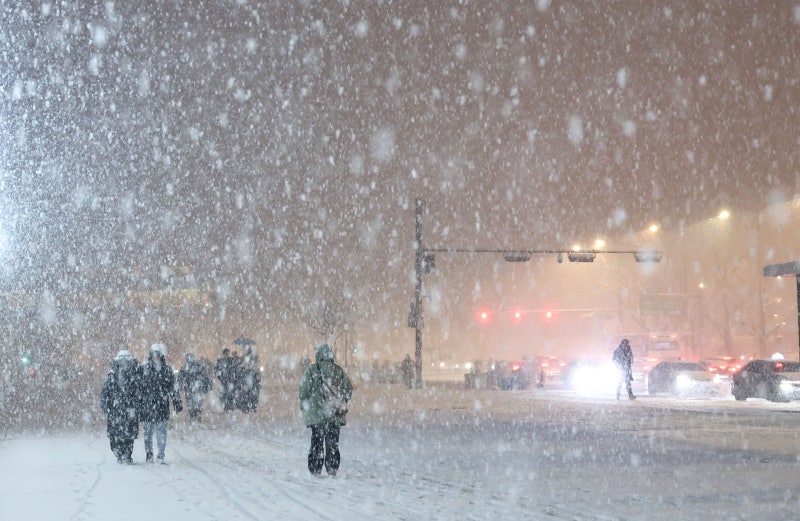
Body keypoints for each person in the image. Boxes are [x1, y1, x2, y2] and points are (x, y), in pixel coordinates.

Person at [299, 343, 354, 477]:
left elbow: (303, 391)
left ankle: (315, 468)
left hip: (317, 415)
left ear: (318, 355)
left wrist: (305, 405)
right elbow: (348, 388)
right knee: (332, 443)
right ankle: (332, 468)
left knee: (317, 442)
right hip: (334, 413)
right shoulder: (338, 371)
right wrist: (342, 400)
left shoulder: (311, 371)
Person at [138, 343, 182, 463]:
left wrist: (177, 401)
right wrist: (138, 402)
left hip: (161, 406)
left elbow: (173, 387)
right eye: (154, 355)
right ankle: (149, 454)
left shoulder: (166, 370)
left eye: (158, 355)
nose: (156, 357)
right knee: (148, 433)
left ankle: (160, 455)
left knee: (161, 432)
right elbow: (139, 388)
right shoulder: (144, 369)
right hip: (148, 406)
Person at [100, 350, 140, 464]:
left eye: (126, 363)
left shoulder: (134, 376)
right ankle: (118, 452)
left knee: (129, 435)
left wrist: (136, 404)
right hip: (115, 410)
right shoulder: (112, 376)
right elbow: (105, 391)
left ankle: (127, 454)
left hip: (129, 410)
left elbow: (138, 392)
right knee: (115, 434)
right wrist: (105, 404)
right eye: (121, 363)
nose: (124, 365)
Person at [177, 353, 212, 421]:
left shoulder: (189, 367)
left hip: (195, 388)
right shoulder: (188, 367)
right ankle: (194, 415)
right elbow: (180, 377)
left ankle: (195, 415)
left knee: (195, 402)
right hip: (192, 388)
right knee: (193, 402)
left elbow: (204, 376)